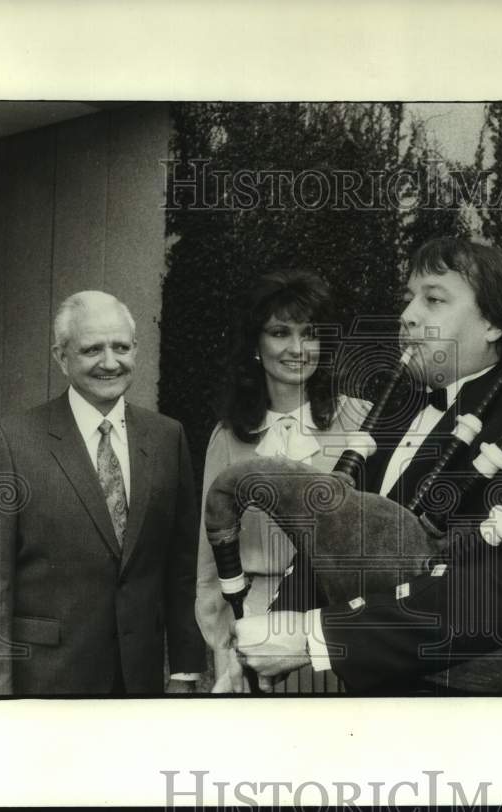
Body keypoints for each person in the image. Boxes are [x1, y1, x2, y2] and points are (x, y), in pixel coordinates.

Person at [235, 237, 502, 693]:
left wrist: (314, 636)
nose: (408, 315)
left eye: (434, 299)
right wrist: (271, 630)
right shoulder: (395, 418)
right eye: (409, 298)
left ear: (494, 325)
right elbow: (334, 541)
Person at [0, 291, 206, 695]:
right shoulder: (9, 442)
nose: (110, 362)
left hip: (139, 688)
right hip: (45, 686)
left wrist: (185, 669)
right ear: (61, 356)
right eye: (92, 349)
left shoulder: (166, 437)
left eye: (121, 347)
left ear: (136, 350)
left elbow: (182, 568)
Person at [195, 269, 368, 693]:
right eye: (279, 332)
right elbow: (208, 560)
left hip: (333, 626)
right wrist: (227, 646)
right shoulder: (229, 437)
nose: (296, 348)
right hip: (251, 623)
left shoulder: (359, 421)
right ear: (255, 344)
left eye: (309, 334)